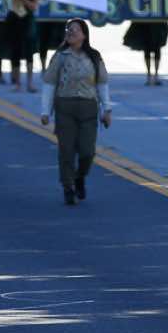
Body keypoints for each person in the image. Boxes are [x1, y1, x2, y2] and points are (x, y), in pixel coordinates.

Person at [39, 18, 113, 205]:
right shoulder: (60, 57)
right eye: (68, 29)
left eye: (75, 30)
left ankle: (80, 176)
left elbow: (102, 84)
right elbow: (50, 83)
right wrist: (45, 112)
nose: (70, 32)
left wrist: (107, 109)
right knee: (67, 150)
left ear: (84, 35)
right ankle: (68, 187)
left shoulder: (94, 57)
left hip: (88, 108)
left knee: (87, 152)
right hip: (65, 107)